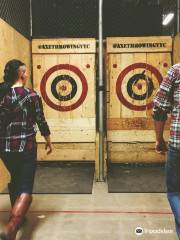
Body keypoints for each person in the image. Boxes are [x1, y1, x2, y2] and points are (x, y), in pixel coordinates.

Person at [0, 59, 52, 240]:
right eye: (26, 71)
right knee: (25, 188)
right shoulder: (31, 95)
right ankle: (12, 227)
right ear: (21, 74)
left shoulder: (2, 93)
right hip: (26, 146)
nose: (27, 74)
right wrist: (48, 139)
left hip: (4, 148)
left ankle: (19, 219)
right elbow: (40, 119)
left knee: (15, 178)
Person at [153, 63, 180, 239]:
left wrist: (159, 139)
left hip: (178, 145)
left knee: (175, 192)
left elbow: (159, 109)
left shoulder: (176, 70)